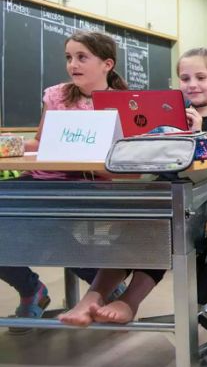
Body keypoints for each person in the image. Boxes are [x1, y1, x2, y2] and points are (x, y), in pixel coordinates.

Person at [58, 47, 207, 327]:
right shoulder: (170, 113)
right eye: (185, 78)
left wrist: (199, 135)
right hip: (163, 191)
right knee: (129, 227)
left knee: (161, 227)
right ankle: (93, 297)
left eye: (201, 77)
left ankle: (130, 301)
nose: (192, 84)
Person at [0, 31, 128, 332]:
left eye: (82, 57)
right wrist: (11, 145)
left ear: (106, 64)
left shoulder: (124, 102)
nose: (73, 64)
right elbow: (41, 142)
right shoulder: (57, 94)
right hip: (41, 180)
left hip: (90, 185)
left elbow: (124, 156)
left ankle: (102, 283)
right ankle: (32, 288)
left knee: (53, 230)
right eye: (69, 57)